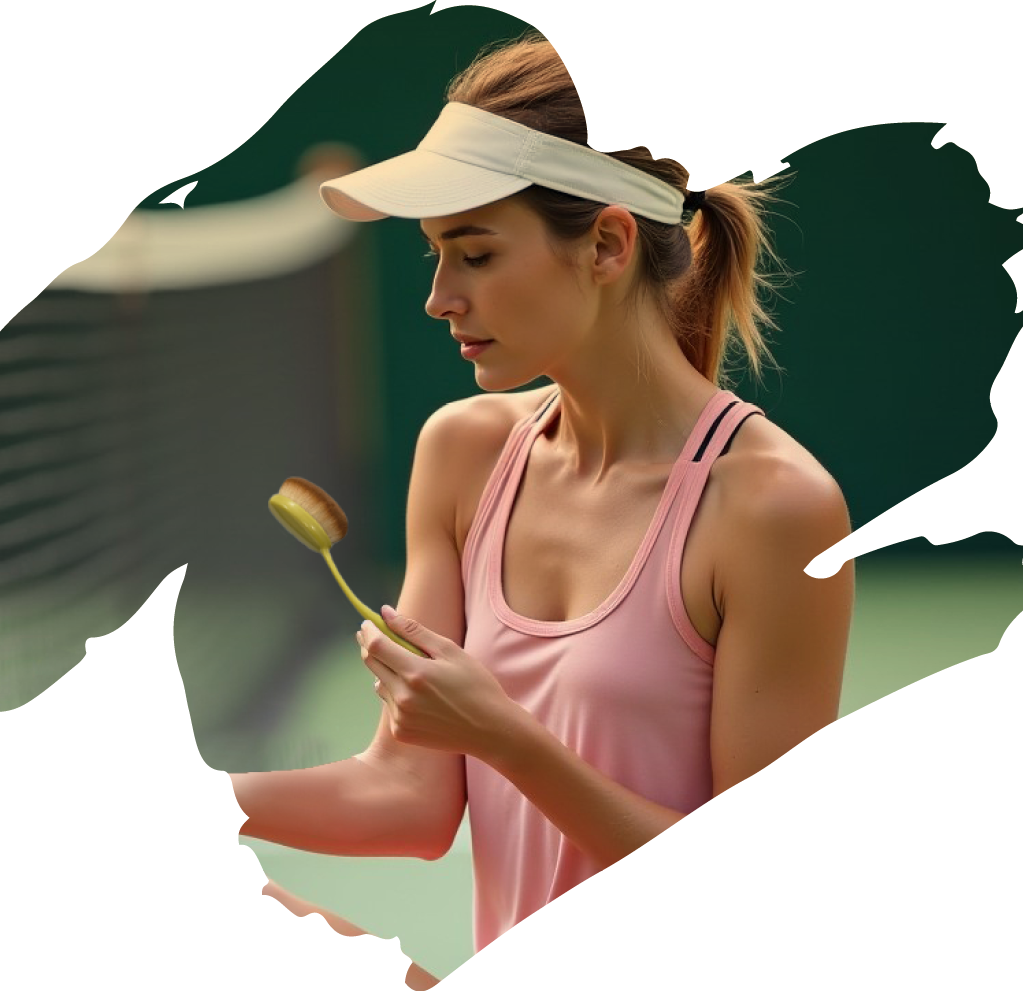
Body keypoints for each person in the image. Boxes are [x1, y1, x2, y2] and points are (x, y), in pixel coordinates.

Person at [229, 33, 854, 989]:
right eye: (437, 255)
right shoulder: (462, 453)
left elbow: (744, 897)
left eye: (475, 254)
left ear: (607, 244)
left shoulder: (775, 507)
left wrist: (503, 735)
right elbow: (407, 795)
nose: (439, 297)